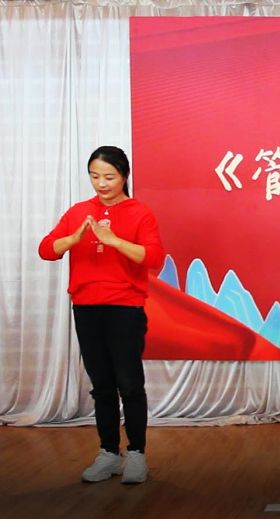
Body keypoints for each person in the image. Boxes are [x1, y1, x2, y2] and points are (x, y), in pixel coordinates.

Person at [38, 146, 165, 484]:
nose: (101, 183)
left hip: (125, 307)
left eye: (109, 176)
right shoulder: (79, 211)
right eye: (95, 176)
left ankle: (136, 454)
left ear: (124, 175)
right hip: (86, 307)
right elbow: (46, 250)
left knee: (129, 383)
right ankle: (108, 452)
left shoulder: (140, 212)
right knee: (102, 385)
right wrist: (73, 238)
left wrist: (115, 241)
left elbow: (154, 258)